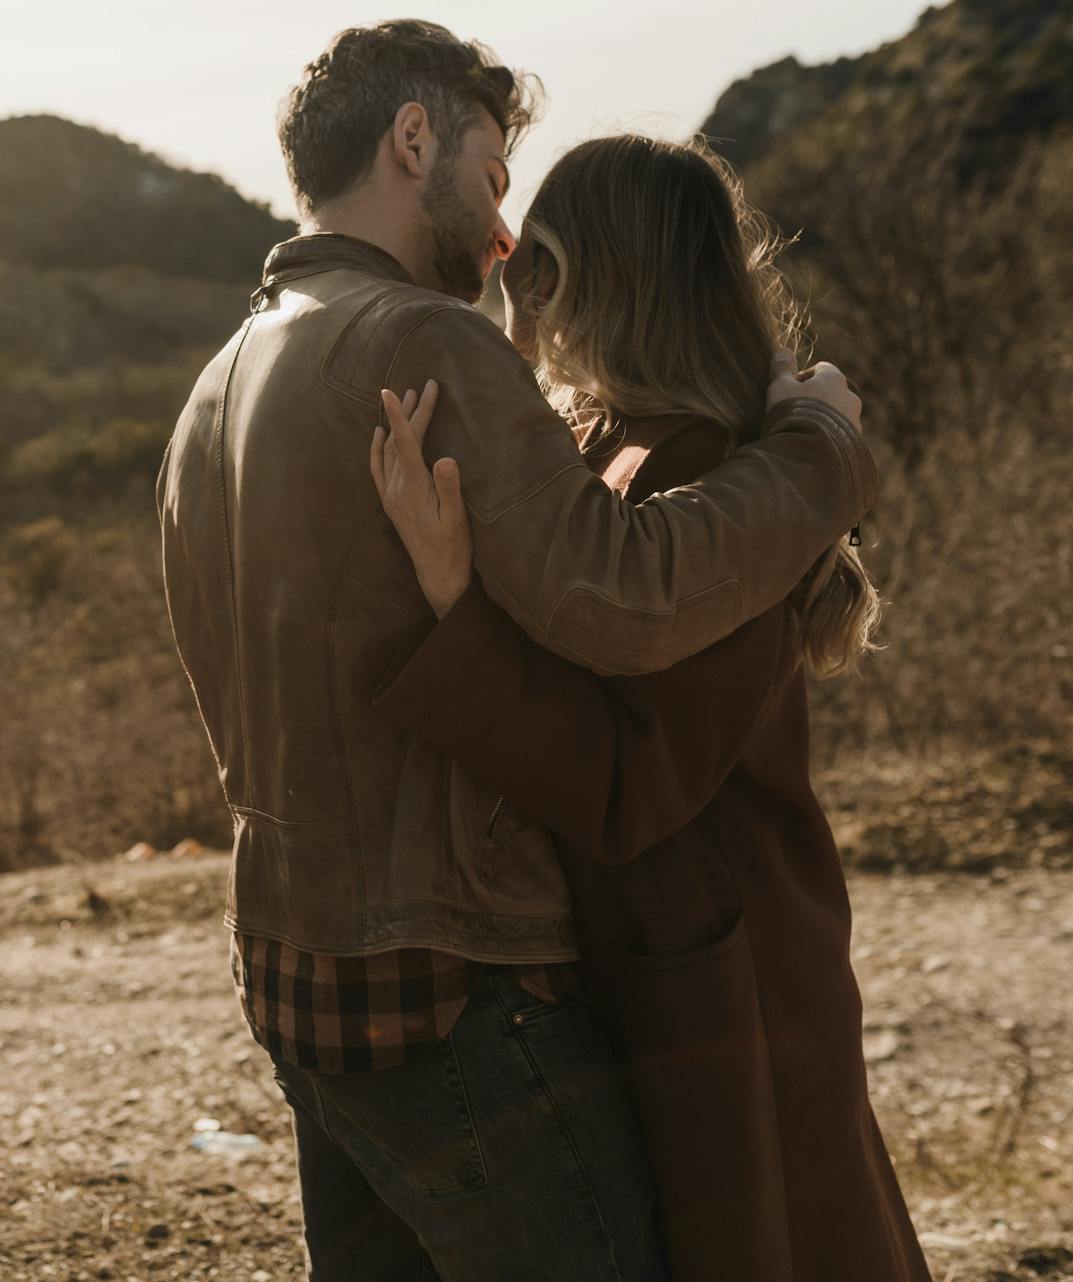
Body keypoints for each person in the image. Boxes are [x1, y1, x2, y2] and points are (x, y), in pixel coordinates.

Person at [156, 20, 875, 1280]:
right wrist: (822, 451)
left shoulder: (222, 376)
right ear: (413, 137)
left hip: (291, 968)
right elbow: (627, 590)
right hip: (452, 983)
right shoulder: (417, 342)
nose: (499, 237)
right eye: (493, 179)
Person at [367, 134, 932, 1281]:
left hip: (726, 965)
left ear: (604, 280)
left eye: (545, 272)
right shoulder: (619, 438)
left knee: (778, 1245)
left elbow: (633, 785)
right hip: (673, 945)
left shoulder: (708, 456)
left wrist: (451, 603)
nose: (525, 298)